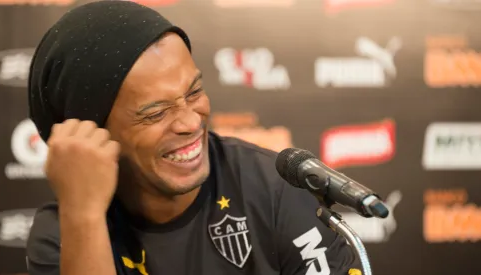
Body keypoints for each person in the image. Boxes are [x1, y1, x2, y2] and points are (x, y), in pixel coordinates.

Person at [26, 1, 363, 275]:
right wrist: (84, 216)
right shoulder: (64, 232)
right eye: (155, 113)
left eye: (194, 92)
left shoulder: (275, 192)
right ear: (91, 136)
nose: (190, 122)